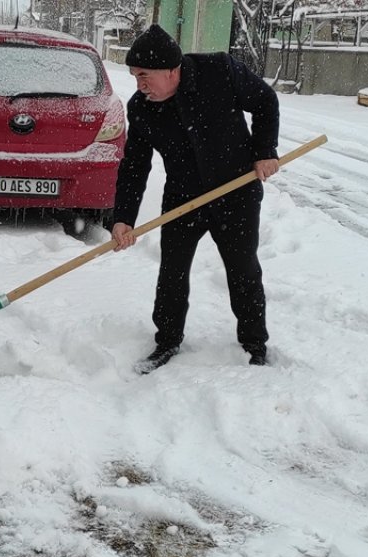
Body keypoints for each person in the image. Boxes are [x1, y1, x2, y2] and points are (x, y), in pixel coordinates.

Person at [110, 24, 281, 374]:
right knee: (172, 271)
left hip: (235, 192)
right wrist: (123, 217)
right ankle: (167, 340)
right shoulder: (141, 108)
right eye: (134, 76)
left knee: (243, 269)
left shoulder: (219, 71)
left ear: (171, 70)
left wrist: (265, 150)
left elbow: (265, 100)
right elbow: (135, 165)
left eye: (144, 76)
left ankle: (254, 344)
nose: (139, 85)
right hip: (183, 197)